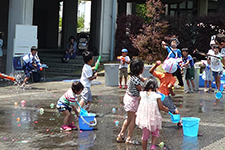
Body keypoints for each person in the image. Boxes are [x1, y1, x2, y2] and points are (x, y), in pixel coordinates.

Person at [116, 59, 145, 144]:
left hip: (129, 98)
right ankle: (129, 138)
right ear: (140, 69)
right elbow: (141, 89)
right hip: (132, 100)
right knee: (133, 119)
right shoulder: (135, 79)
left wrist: (150, 81)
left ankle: (121, 135)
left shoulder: (135, 77)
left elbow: (144, 79)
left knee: (129, 118)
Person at [136, 76, 169, 150]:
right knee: (155, 132)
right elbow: (161, 107)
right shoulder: (157, 96)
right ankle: (153, 146)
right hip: (154, 117)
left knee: (145, 135)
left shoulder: (142, 94)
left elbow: (140, 102)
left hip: (144, 118)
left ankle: (144, 148)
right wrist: (166, 109)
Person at [149, 60, 182, 127]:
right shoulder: (173, 78)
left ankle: (152, 122)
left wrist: (156, 65)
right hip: (165, 96)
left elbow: (151, 71)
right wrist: (172, 93)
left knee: (156, 108)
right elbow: (169, 86)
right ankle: (179, 122)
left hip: (158, 94)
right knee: (174, 109)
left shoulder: (162, 75)